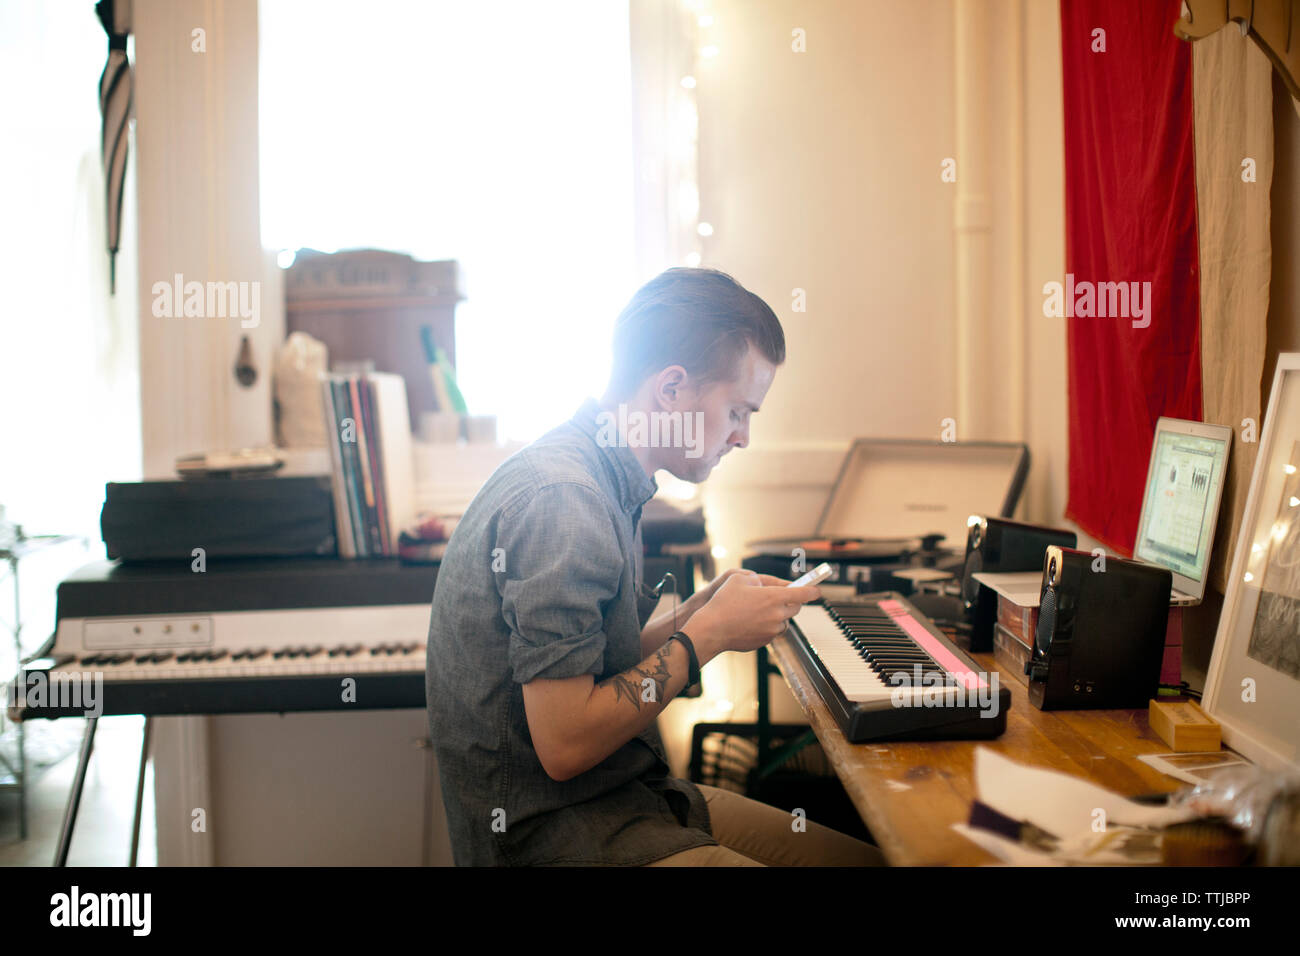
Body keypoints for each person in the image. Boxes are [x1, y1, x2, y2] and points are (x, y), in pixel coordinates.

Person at [425, 267, 885, 866]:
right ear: (671, 390)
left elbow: (588, 669)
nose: (742, 437)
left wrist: (695, 614)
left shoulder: (604, 472)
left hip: (623, 802)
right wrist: (708, 636)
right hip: (558, 835)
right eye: (739, 411)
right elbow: (565, 743)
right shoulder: (566, 500)